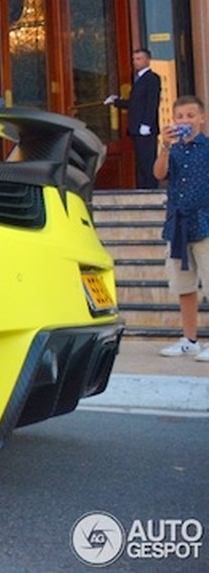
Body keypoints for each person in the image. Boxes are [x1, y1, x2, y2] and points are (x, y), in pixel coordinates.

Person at [153, 94, 209, 361]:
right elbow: (159, 174)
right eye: (180, 117)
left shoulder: (208, 148)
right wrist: (164, 146)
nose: (185, 121)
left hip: (206, 222)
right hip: (177, 225)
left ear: (201, 118)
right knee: (183, 286)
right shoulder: (172, 149)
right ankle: (189, 339)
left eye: (190, 116)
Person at [105, 48, 161, 189]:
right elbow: (134, 103)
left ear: (148, 60)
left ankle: (150, 189)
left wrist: (147, 124)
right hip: (136, 128)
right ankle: (142, 188)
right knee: (140, 162)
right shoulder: (138, 79)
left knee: (147, 161)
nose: (135, 62)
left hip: (145, 128)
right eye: (134, 59)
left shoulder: (152, 78)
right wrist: (116, 101)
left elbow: (152, 102)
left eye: (139, 59)